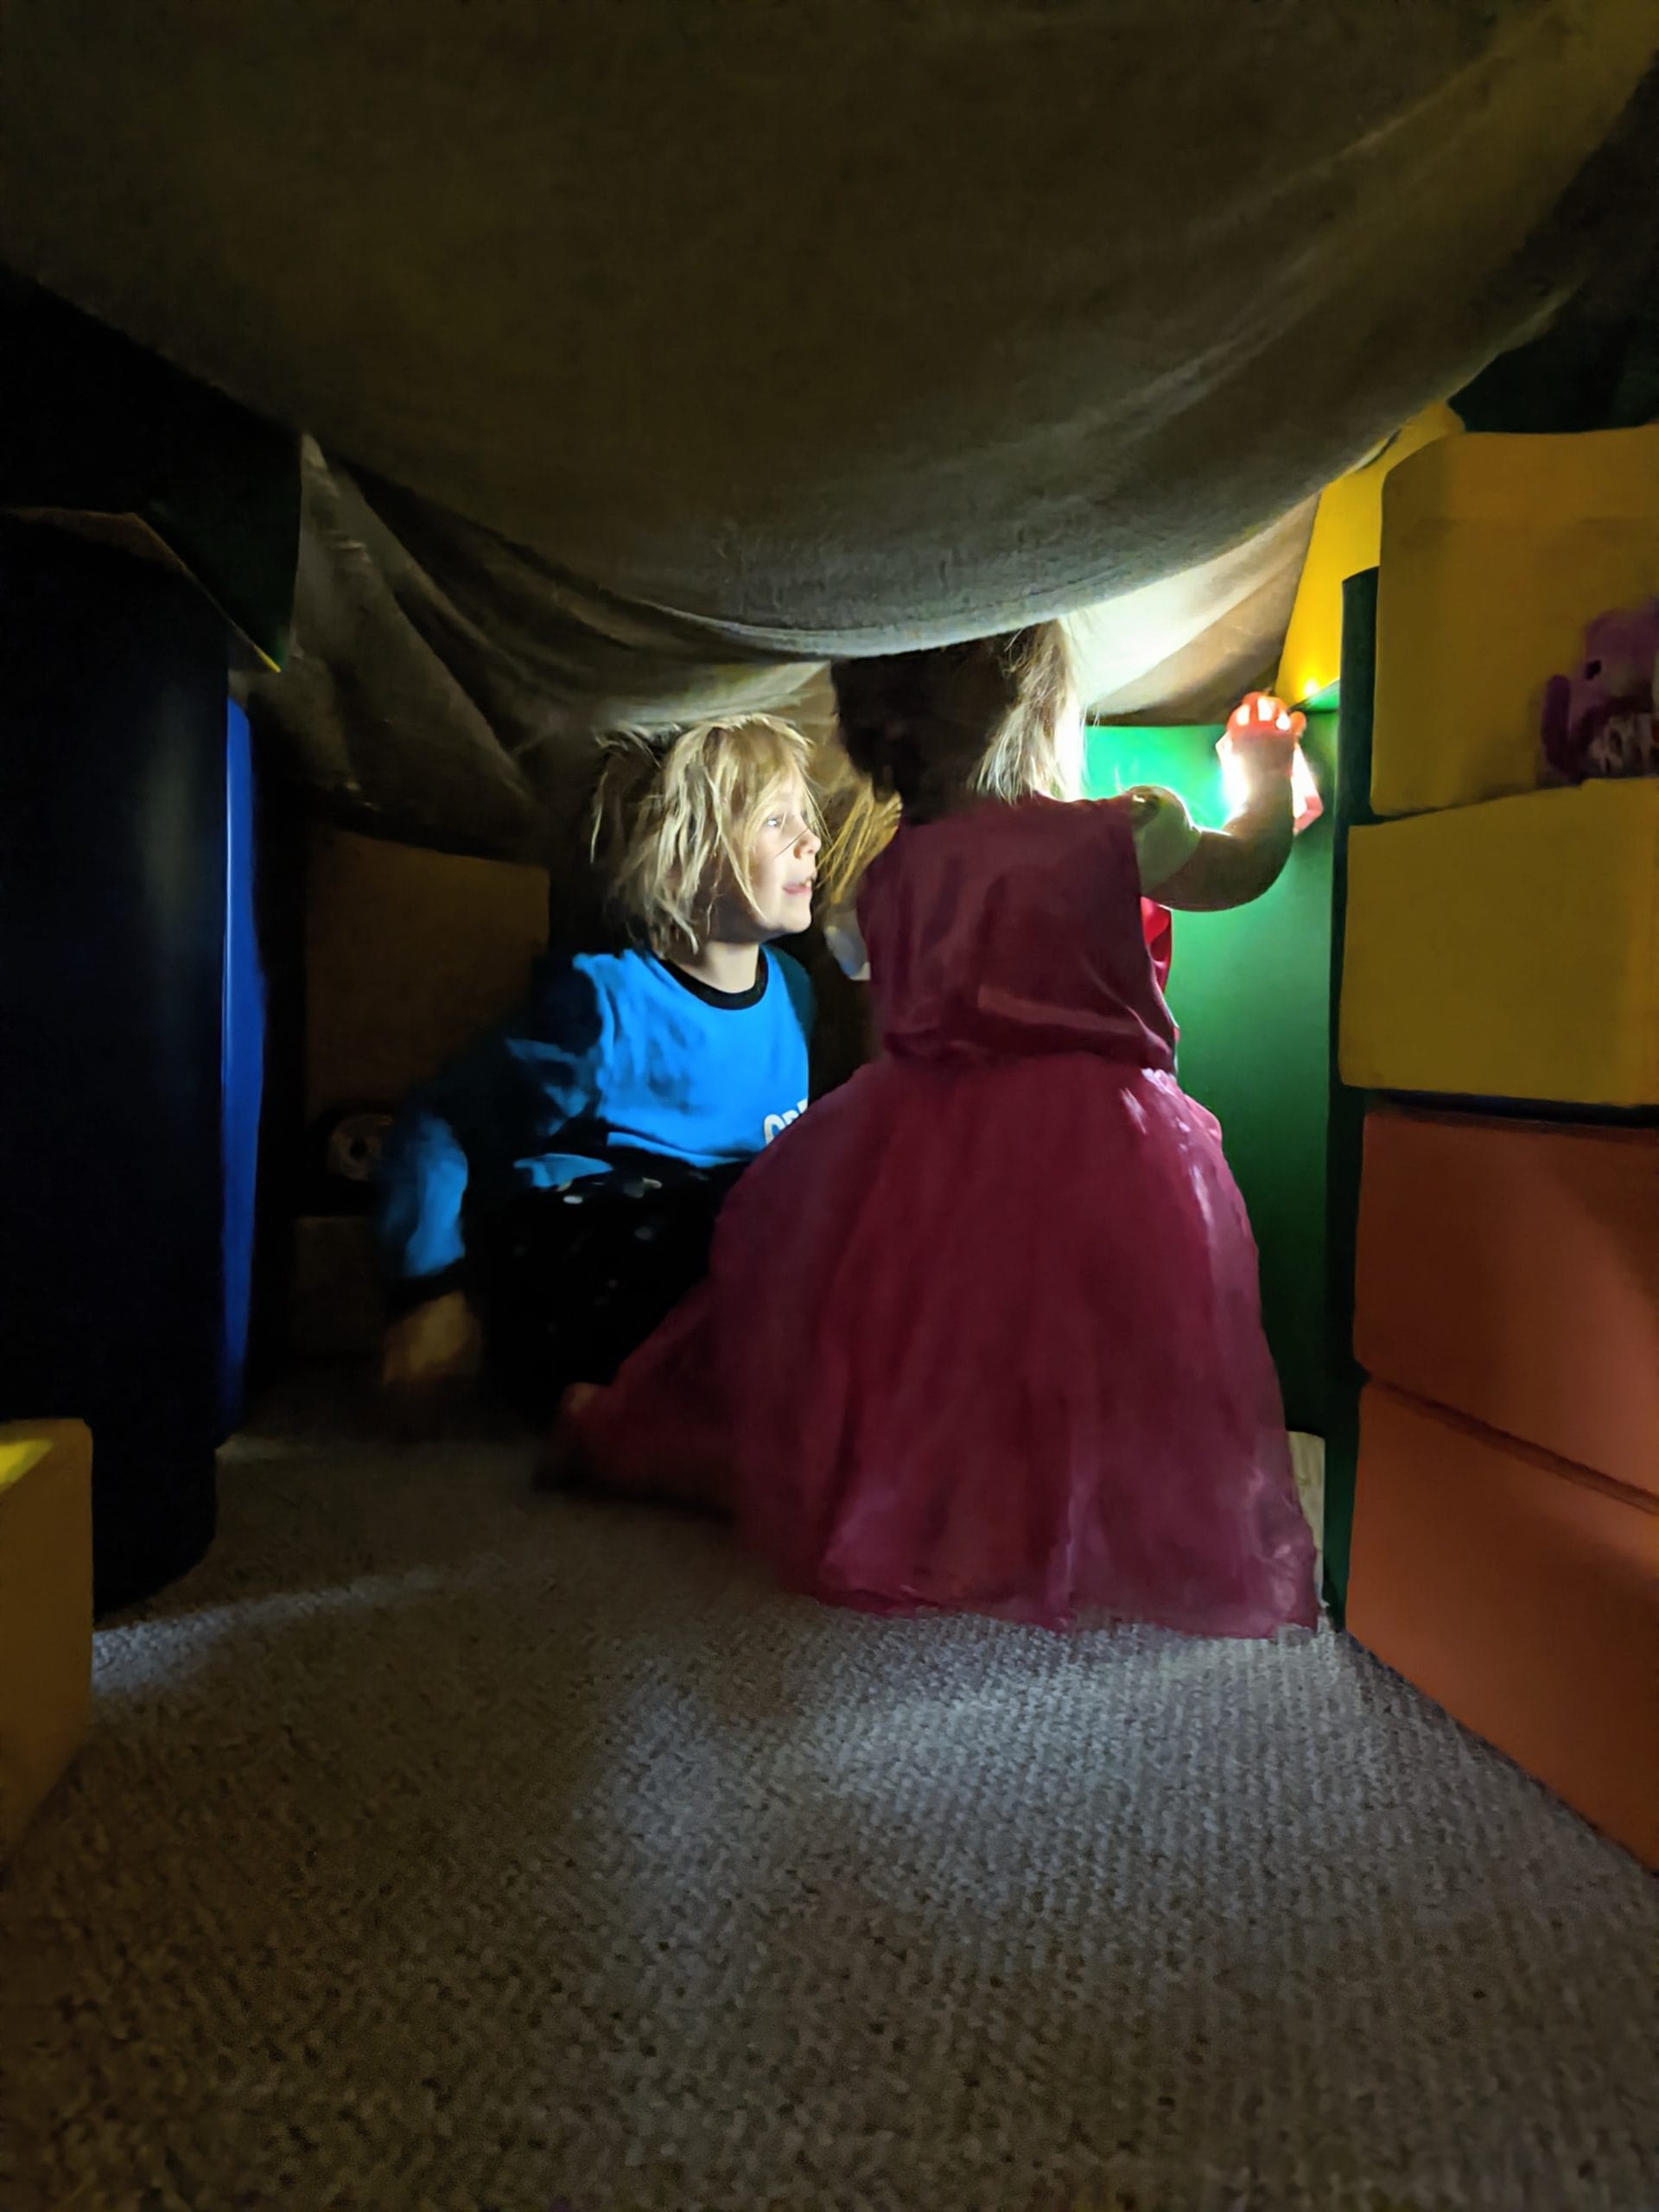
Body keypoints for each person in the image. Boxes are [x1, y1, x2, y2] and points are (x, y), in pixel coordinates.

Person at [552, 626, 1319, 1639]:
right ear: (1038, 707)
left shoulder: (889, 872)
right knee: (1088, 1350)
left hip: (919, 1134)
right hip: (1092, 1145)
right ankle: (1051, 1515)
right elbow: (1242, 869)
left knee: (931, 1355)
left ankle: (916, 1496)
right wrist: (1262, 778)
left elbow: (894, 1025)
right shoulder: (1121, 828)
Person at [375, 713, 821, 1424]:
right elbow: (440, 1123)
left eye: (806, 817)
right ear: (685, 858)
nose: (811, 841)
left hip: (724, 1256)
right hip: (588, 1256)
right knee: (725, 1218)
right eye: (777, 822)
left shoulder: (796, 994)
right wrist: (427, 1290)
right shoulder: (606, 1007)